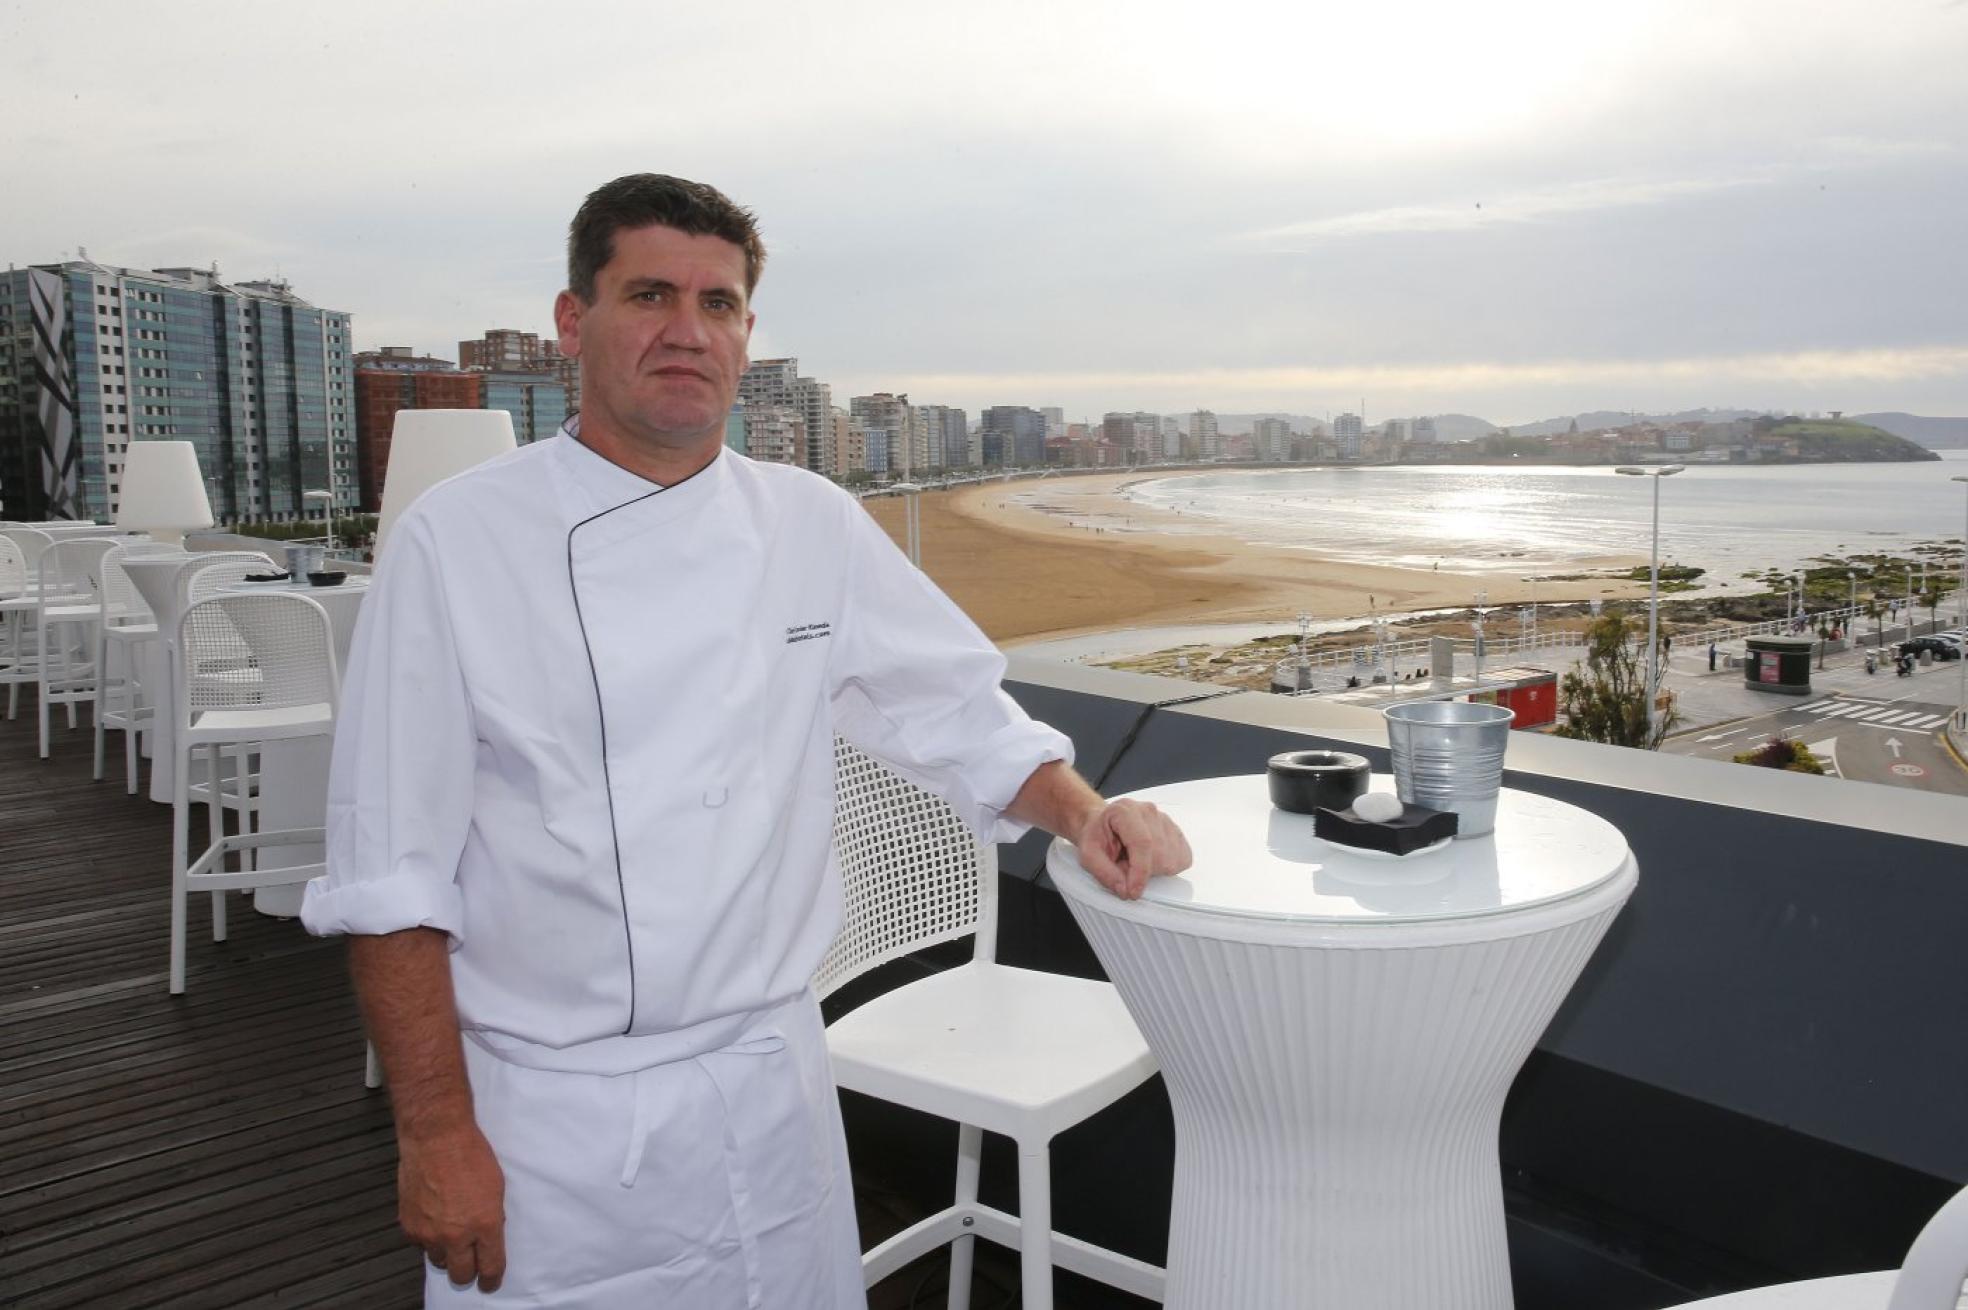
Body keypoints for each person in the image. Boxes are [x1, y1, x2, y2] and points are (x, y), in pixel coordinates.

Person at [300, 174, 1192, 1308]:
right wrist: (433, 1136)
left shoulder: (808, 520)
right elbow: (391, 879)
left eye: (717, 303)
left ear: (747, 334)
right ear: (575, 321)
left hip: (775, 1093)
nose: (688, 330)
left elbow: (960, 711)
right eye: (651, 294)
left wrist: (1084, 809)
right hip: (562, 1133)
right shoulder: (454, 545)